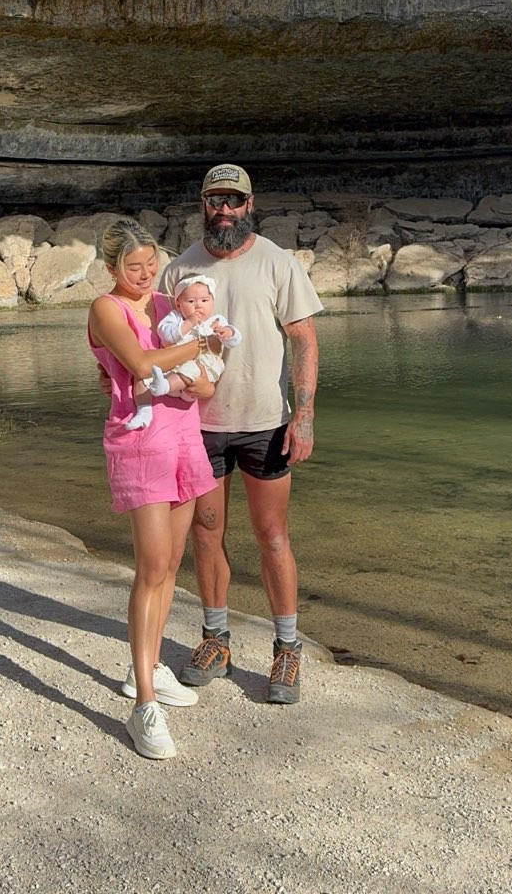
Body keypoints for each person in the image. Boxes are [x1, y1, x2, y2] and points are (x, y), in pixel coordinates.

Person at [159, 162, 323, 705]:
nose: (223, 209)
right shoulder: (179, 270)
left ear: (250, 205)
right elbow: (152, 345)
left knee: (272, 534)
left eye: (234, 200)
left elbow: (302, 339)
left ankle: (287, 648)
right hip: (196, 425)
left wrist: (305, 414)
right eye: (214, 200)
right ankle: (215, 639)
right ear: (202, 205)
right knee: (205, 532)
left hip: (266, 422)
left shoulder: (277, 263)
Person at [88, 217, 217, 760]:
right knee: (151, 565)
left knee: (171, 565)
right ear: (112, 267)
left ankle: (152, 667)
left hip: (185, 439)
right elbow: (141, 363)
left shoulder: (167, 306)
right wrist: (195, 351)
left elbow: (208, 381)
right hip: (140, 445)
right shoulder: (105, 308)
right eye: (132, 267)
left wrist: (191, 362)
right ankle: (143, 706)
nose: (145, 275)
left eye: (151, 264)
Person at [156, 274, 242, 398]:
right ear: (179, 304)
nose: (198, 305)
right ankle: (159, 392)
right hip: (174, 367)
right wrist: (188, 323)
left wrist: (227, 332)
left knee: (192, 368)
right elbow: (166, 336)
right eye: (191, 301)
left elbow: (235, 341)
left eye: (204, 300)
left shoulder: (216, 320)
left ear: (212, 301)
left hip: (203, 370)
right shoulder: (176, 318)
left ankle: (165, 386)